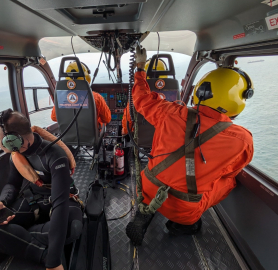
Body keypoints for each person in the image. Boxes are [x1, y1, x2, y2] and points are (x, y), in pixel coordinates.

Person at [126, 46, 254, 245]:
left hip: (147, 189)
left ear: (200, 91)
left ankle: (148, 208)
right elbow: (230, 172)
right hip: (183, 209)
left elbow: (141, 99)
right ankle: (180, 226)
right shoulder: (242, 140)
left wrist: (140, 68)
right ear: (238, 99)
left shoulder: (170, 111)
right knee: (229, 182)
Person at [0, 109, 83, 270]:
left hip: (63, 201)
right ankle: (40, 253)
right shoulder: (16, 155)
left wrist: (54, 264)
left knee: (72, 228)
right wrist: (2, 201)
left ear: (13, 139)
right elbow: (12, 184)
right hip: (33, 200)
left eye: (0, 139)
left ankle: (13, 242)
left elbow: (60, 204)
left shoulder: (55, 155)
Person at [51, 62, 111, 128]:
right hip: (92, 137)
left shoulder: (61, 98)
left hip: (67, 138)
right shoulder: (96, 97)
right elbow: (107, 119)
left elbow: (54, 118)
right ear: (86, 77)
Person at [121, 58, 168, 135]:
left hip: (141, 144)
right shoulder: (175, 97)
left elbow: (127, 126)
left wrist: (124, 131)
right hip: (165, 141)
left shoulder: (137, 98)